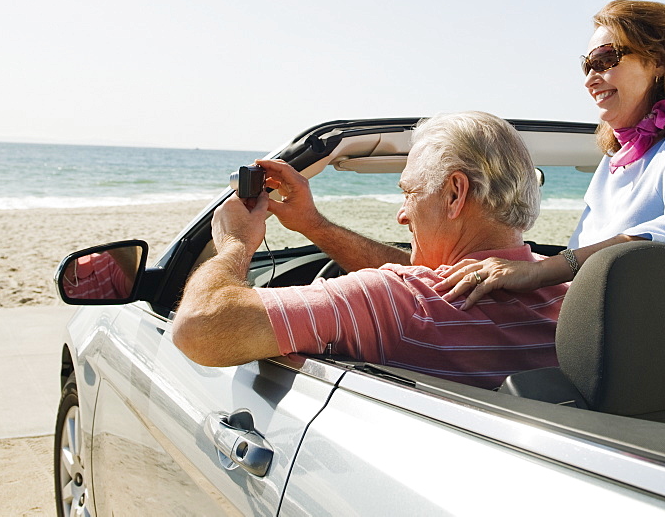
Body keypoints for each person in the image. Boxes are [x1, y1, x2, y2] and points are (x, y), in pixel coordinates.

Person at [172, 112, 568, 389]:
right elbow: (434, 279)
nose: (401, 215)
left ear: (454, 193)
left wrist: (234, 245)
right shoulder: (574, 296)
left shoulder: (395, 300)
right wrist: (314, 225)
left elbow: (200, 328)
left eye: (410, 193)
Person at [439, 0, 665, 312]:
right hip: (602, 338)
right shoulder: (614, 161)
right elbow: (580, 269)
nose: (589, 79)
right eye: (587, 65)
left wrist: (539, 271)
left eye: (604, 59)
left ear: (659, 60)